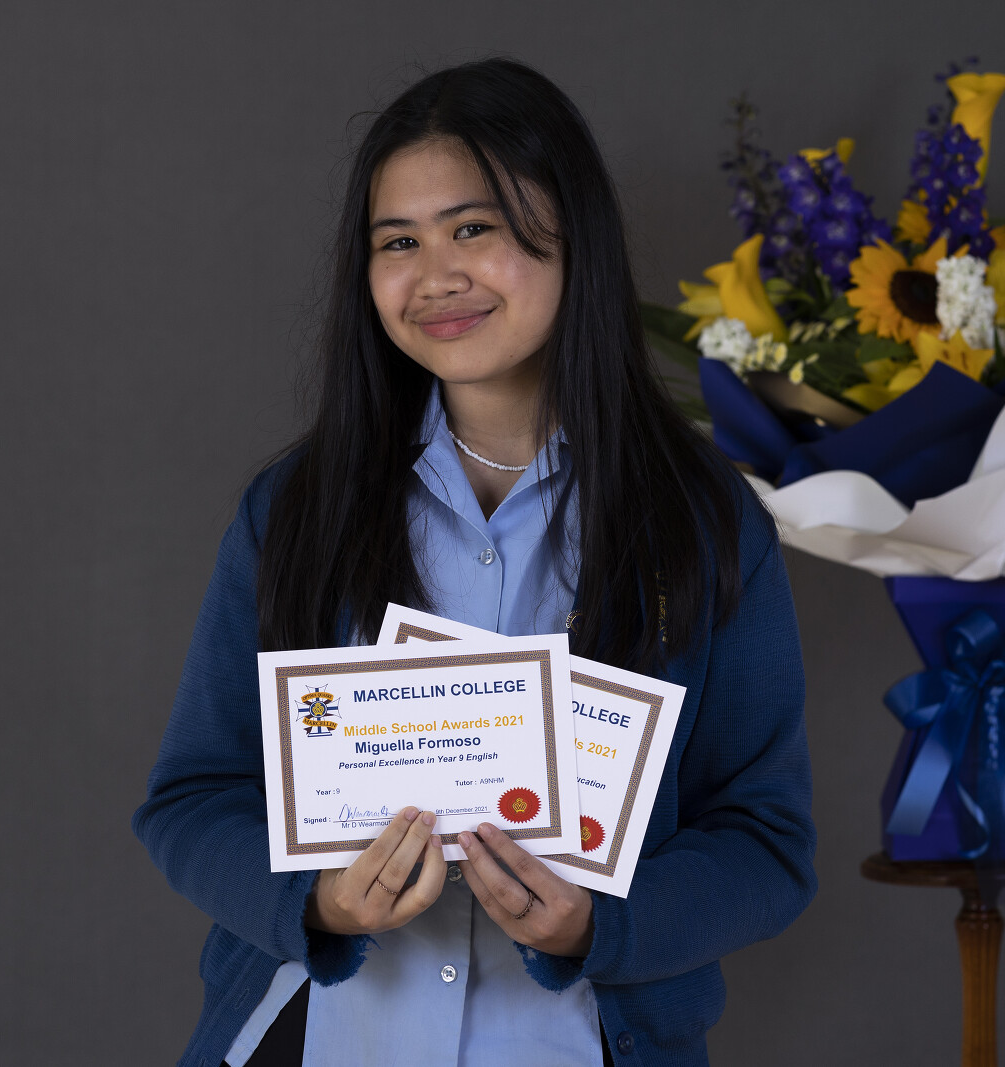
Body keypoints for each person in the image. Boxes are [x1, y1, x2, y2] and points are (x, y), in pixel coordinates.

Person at [133, 58, 816, 1067]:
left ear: (574, 235)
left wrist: (601, 924)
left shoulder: (704, 521)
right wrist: (317, 901)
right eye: (397, 242)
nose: (436, 275)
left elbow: (764, 838)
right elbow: (192, 797)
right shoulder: (295, 510)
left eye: (473, 229)